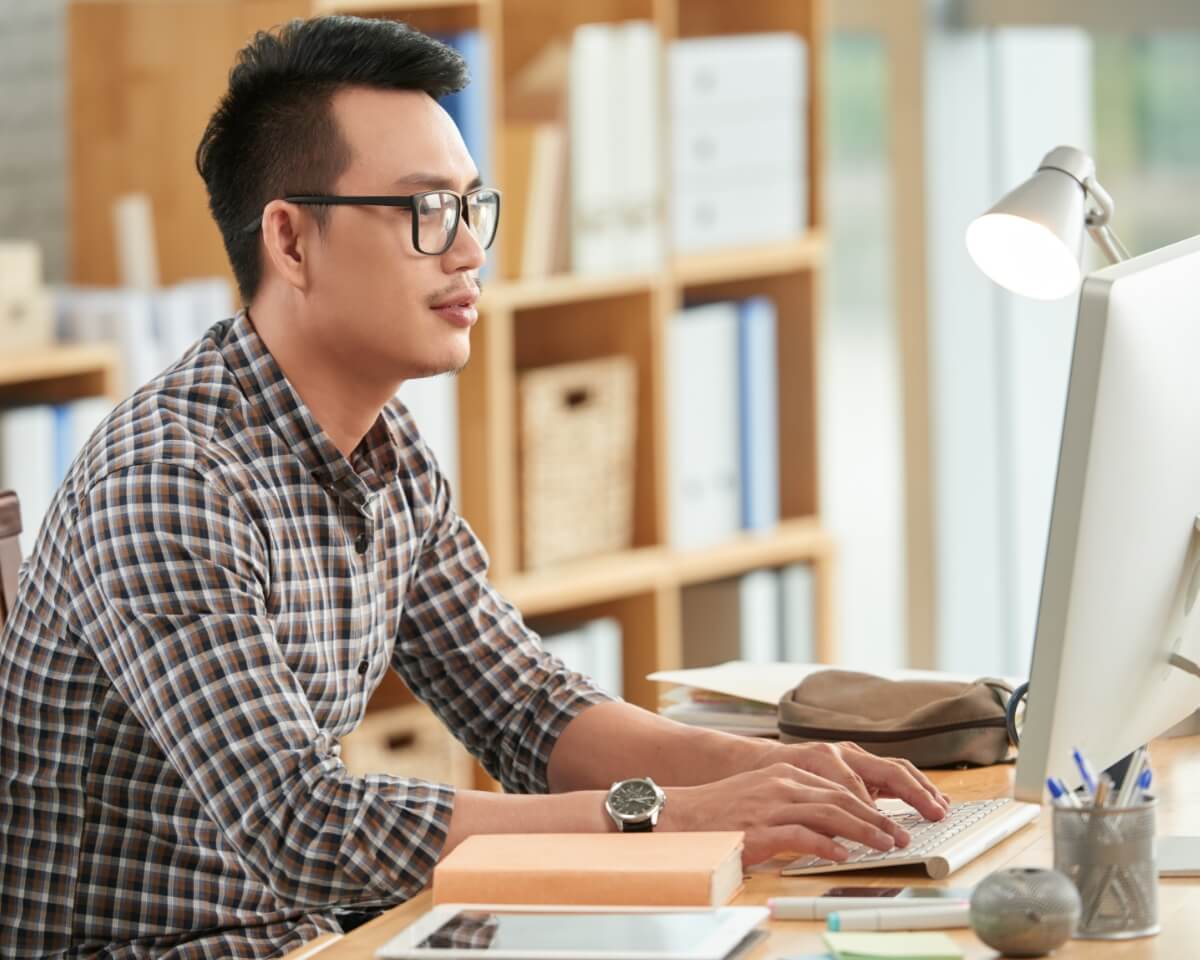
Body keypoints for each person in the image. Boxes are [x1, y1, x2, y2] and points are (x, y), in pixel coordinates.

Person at [0, 15, 948, 959]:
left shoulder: (387, 449)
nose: (467, 252)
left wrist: (783, 773)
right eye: (424, 212)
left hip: (313, 942)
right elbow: (302, 824)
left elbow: (526, 707)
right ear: (290, 242)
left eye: (470, 207)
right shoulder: (168, 481)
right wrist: (687, 816)